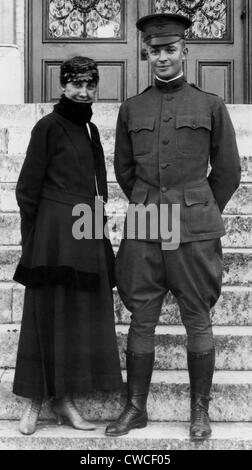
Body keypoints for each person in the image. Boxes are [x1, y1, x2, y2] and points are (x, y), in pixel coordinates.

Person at [105, 14, 241, 441]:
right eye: (154, 50)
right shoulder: (133, 108)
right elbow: (124, 170)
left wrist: (198, 208)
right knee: (140, 318)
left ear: (185, 51)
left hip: (194, 229)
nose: (162, 57)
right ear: (146, 54)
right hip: (145, 225)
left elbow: (228, 170)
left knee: (197, 316)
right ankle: (136, 408)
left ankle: (200, 412)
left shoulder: (210, 105)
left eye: (170, 49)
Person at [13, 56, 122, 435]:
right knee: (44, 316)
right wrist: (37, 240)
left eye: (90, 85)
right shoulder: (47, 127)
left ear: (97, 89)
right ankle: (33, 402)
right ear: (62, 86)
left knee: (75, 318)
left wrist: (100, 237)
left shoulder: (91, 131)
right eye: (75, 83)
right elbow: (27, 190)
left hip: (86, 233)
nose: (83, 91)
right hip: (52, 240)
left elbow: (99, 190)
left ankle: (65, 399)